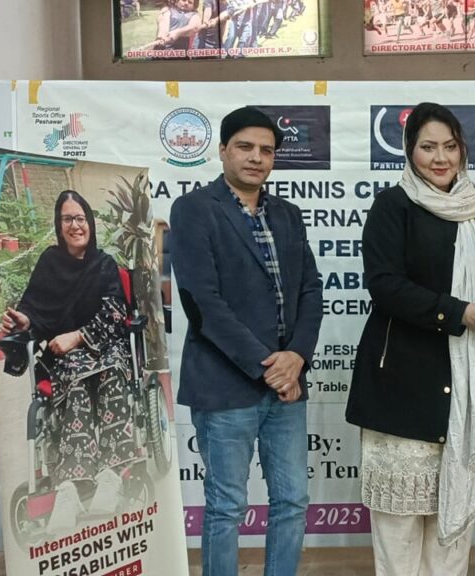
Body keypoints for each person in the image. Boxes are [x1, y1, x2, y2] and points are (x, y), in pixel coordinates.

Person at [346, 102, 475, 576]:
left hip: (468, 388)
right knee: (398, 527)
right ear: (409, 151)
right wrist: (461, 313)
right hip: (403, 385)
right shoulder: (393, 205)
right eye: (428, 147)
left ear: (463, 150)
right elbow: (385, 286)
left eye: (450, 146)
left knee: (451, 528)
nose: (441, 158)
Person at [170, 106, 323, 576]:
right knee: (226, 507)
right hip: (226, 384)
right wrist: (268, 366)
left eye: (266, 150)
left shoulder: (287, 215)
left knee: (292, 501)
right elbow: (203, 303)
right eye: (245, 147)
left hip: (287, 386)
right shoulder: (194, 210)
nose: (256, 157)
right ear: (222, 151)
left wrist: (296, 357)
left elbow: (310, 290)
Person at [1, 190, 139, 531]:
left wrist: (77, 336)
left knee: (110, 374)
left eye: (80, 218)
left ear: (89, 222)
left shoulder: (104, 264)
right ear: (58, 225)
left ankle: (110, 476)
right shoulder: (49, 263)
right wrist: (24, 321)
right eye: (67, 219)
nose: (75, 225)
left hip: (104, 347)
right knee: (74, 382)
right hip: (65, 356)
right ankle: (71, 488)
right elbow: (35, 311)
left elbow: (115, 313)